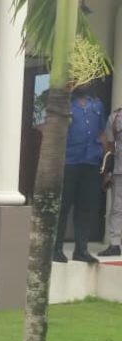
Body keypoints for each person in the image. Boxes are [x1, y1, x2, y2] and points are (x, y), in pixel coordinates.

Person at [54, 83, 105, 263]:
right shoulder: (65, 104)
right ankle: (56, 249)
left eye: (86, 81)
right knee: (63, 206)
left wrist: (102, 155)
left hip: (91, 161)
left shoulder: (97, 105)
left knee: (85, 207)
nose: (84, 84)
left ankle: (81, 250)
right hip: (69, 161)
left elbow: (102, 133)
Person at [99, 106, 122, 257]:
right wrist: (108, 170)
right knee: (117, 208)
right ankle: (115, 244)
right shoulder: (115, 116)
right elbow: (109, 145)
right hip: (119, 169)